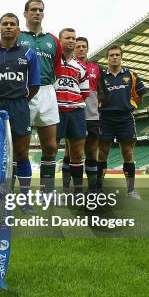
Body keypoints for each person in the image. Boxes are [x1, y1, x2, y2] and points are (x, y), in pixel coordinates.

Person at [0, 13, 40, 213]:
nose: (9, 27)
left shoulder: (29, 53)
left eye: (12, 24)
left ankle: (25, 199)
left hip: (19, 106)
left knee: (21, 154)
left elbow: (35, 84)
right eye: (5, 24)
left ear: (18, 30)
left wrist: (19, 99)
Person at [18, 0, 62, 194]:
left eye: (40, 10)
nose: (37, 12)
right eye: (33, 10)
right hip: (23, 93)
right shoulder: (17, 36)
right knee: (20, 148)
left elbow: (57, 69)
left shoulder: (53, 40)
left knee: (51, 146)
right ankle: (22, 193)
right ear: (25, 13)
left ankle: (47, 191)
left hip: (46, 92)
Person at [96, 45, 147, 199]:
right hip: (105, 119)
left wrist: (131, 105)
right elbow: (95, 95)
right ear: (107, 58)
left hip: (125, 118)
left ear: (121, 57)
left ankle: (131, 190)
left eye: (117, 54)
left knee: (128, 153)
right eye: (111, 55)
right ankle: (98, 189)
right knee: (102, 153)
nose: (115, 57)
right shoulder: (101, 76)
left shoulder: (131, 75)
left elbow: (140, 95)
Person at [54, 28, 89, 195]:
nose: (71, 40)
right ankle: (49, 190)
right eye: (67, 37)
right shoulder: (52, 61)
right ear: (60, 41)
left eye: (73, 38)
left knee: (76, 152)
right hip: (55, 110)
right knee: (50, 150)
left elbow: (85, 93)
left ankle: (78, 190)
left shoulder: (82, 67)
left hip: (76, 111)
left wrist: (72, 101)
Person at [76, 36, 101, 190]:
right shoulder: (67, 66)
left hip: (92, 116)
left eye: (83, 46)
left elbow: (102, 92)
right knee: (72, 152)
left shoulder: (96, 68)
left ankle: (92, 188)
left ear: (87, 48)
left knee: (92, 151)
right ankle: (73, 188)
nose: (80, 49)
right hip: (74, 115)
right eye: (78, 46)